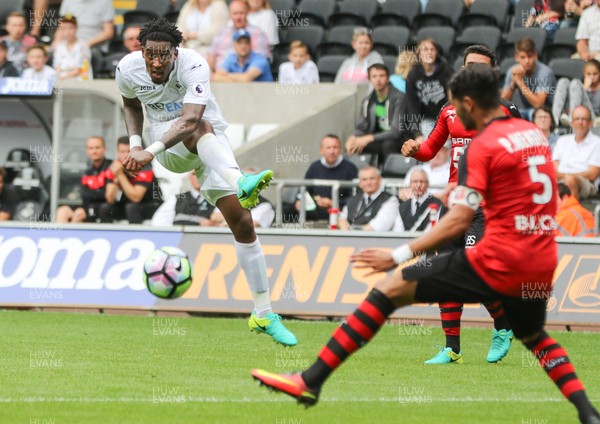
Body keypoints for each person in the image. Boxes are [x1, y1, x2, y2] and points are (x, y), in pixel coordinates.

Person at [251, 65, 600, 424]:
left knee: (390, 287)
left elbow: (459, 219)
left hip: (500, 257)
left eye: (455, 108)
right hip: (540, 260)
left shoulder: (481, 146)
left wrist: (398, 254)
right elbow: (522, 191)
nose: (453, 117)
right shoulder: (534, 134)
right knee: (535, 337)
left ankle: (310, 381)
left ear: (468, 103)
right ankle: (588, 414)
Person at [116, 18, 296, 346]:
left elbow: (191, 117)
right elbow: (130, 103)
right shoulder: (127, 68)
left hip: (207, 139)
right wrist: (138, 145)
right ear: (141, 51)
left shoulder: (195, 65)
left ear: (176, 52)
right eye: (150, 55)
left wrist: (146, 153)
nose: (157, 62)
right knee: (201, 129)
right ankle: (241, 180)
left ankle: (263, 313)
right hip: (165, 138)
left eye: (164, 55)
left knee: (243, 224)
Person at [401, 45, 520, 364]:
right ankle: (452, 348)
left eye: (480, 67)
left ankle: (503, 325)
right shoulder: (449, 110)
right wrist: (414, 150)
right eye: (468, 66)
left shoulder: (505, 111)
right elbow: (429, 150)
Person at [345, 63, 408, 166]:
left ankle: (391, 176)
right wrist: (353, 138)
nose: (378, 79)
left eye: (382, 76)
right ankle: (363, 177)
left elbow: (396, 132)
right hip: (377, 139)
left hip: (399, 140)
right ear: (369, 79)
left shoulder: (399, 98)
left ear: (388, 79)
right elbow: (361, 127)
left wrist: (367, 138)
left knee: (388, 144)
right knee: (354, 146)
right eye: (374, 76)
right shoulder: (367, 101)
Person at [289, 134, 358, 222]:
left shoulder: (350, 168)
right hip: (316, 209)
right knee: (287, 209)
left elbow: (355, 198)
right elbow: (305, 189)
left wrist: (332, 202)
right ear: (321, 150)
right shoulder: (314, 167)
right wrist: (299, 201)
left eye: (335, 147)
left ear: (340, 150)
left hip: (338, 211)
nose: (332, 151)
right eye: (328, 148)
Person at [100, 137, 162, 224]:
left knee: (131, 208)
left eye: (129, 152)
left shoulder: (145, 167)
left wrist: (120, 176)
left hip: (151, 205)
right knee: (106, 208)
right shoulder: (116, 166)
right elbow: (110, 199)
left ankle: (136, 236)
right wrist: (116, 180)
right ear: (118, 153)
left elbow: (136, 198)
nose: (126, 155)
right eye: (122, 152)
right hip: (128, 205)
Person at [55, 136, 112, 223]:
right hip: (87, 206)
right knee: (62, 211)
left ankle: (72, 236)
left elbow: (107, 196)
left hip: (104, 208)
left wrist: (92, 193)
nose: (94, 151)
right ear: (87, 151)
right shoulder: (87, 170)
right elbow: (84, 194)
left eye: (97, 147)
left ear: (104, 149)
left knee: (79, 214)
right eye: (91, 148)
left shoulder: (111, 166)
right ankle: (61, 236)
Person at [406, 38, 454, 137]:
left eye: (432, 49)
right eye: (425, 49)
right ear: (419, 54)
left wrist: (452, 124)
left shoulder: (447, 71)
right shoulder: (413, 75)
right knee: (429, 142)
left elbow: (454, 99)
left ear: (437, 53)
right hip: (428, 119)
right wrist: (416, 134)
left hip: (448, 118)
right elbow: (412, 105)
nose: (429, 52)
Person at [501, 37, 556, 120]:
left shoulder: (545, 72)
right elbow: (503, 103)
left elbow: (539, 105)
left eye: (529, 56)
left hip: (546, 112)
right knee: (505, 112)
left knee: (530, 114)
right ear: (516, 57)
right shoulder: (513, 71)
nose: (527, 61)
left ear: (535, 56)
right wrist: (513, 83)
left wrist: (519, 82)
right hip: (525, 110)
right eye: (523, 57)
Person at [208, 0, 270, 72]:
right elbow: (211, 56)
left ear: (247, 13)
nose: (238, 17)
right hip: (218, 78)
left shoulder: (258, 33)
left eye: (241, 13)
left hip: (245, 78)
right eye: (235, 14)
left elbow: (261, 62)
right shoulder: (221, 33)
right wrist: (212, 76)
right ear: (230, 15)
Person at [553, 105, 600, 199]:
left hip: (585, 183)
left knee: (569, 181)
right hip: (560, 180)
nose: (580, 122)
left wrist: (567, 177)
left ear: (590, 122)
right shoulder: (562, 140)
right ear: (572, 122)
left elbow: (592, 174)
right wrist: (565, 177)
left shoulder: (597, 142)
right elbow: (553, 169)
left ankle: (572, 212)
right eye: (577, 119)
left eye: (584, 119)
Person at [338, 166, 398, 231]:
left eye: (372, 179)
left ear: (380, 180)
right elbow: (342, 219)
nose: (368, 183)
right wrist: (345, 228)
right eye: (364, 179)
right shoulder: (353, 199)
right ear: (360, 183)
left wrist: (352, 231)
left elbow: (379, 226)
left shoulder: (391, 200)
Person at [151, 171, 216, 226]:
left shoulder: (216, 199)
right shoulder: (176, 199)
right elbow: (158, 222)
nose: (198, 177)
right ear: (189, 177)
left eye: (201, 174)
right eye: (194, 174)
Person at [553, 59, 600, 127]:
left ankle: (573, 118)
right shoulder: (581, 86)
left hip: (591, 117)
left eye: (595, 74)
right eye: (589, 74)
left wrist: (584, 89)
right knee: (563, 81)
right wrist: (585, 87)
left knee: (576, 83)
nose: (592, 77)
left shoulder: (580, 86)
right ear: (584, 74)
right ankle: (555, 120)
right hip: (570, 112)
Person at [392, 167, 441, 232]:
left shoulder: (437, 204)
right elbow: (398, 231)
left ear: (428, 184)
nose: (418, 185)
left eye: (422, 182)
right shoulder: (403, 206)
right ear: (410, 184)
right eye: (415, 182)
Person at [52, 15, 93, 81]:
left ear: (76, 28)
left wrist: (61, 78)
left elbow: (80, 69)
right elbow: (57, 67)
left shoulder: (83, 45)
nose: (68, 31)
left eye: (71, 28)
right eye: (64, 28)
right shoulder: (59, 46)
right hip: (62, 79)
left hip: (79, 80)